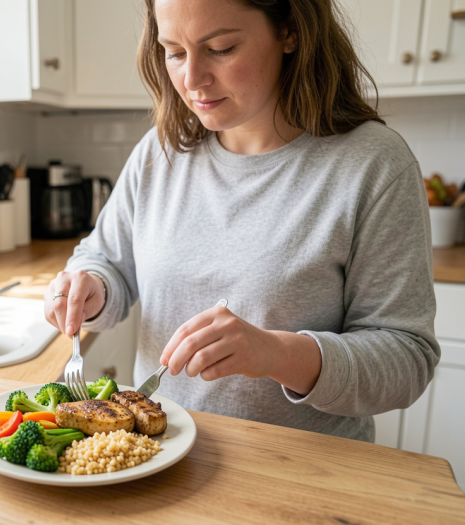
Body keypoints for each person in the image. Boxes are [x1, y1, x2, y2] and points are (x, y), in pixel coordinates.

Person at [45, 0, 440, 442]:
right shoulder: (160, 152)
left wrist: (277, 354)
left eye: (221, 48)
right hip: (157, 462)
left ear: (290, 32)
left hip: (303, 475)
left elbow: (408, 360)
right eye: (174, 52)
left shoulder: (374, 166)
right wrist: (90, 288)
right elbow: (107, 261)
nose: (192, 80)